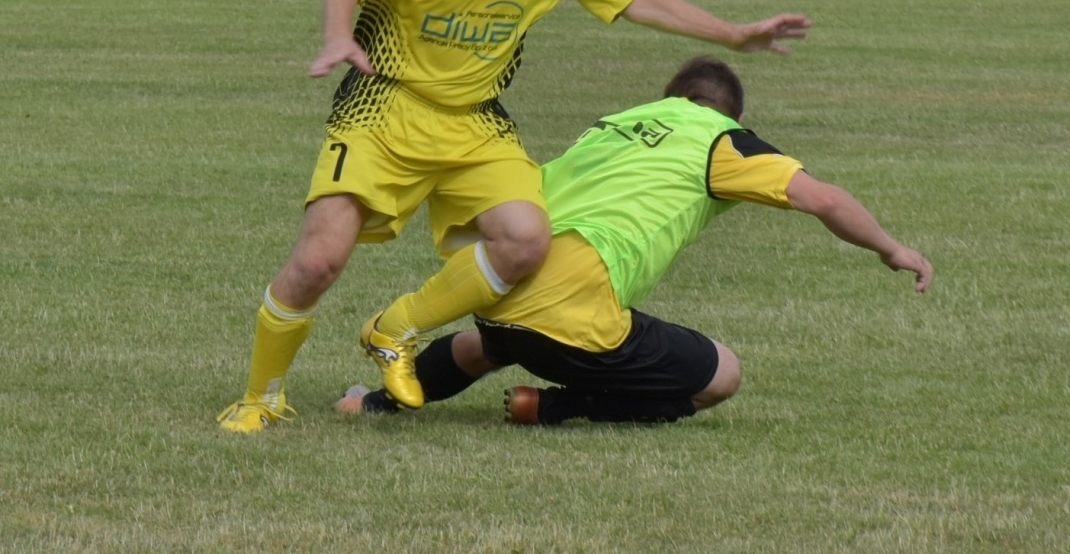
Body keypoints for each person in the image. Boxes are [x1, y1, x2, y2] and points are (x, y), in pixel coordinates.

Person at [217, 0, 812, 432]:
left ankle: (397, 329)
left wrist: (731, 34)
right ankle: (262, 398)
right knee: (318, 261)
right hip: (384, 106)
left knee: (526, 238)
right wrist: (338, 34)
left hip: (476, 122)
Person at [336, 55, 933, 425]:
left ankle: (371, 403)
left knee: (487, 345)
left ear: (671, 96)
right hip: (573, 312)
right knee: (721, 376)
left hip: (498, 291)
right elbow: (822, 198)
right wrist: (891, 248)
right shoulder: (720, 136)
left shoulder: (611, 125)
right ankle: (551, 408)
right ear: (731, 115)